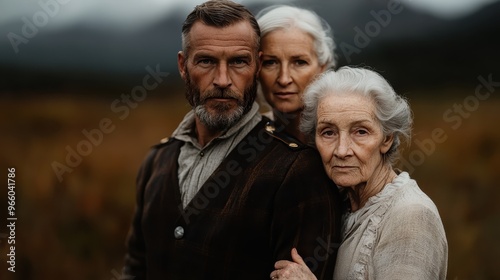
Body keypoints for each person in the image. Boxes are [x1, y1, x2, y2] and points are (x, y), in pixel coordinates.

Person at [122, 1, 342, 279]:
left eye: (238, 61)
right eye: (206, 61)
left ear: (256, 66)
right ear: (182, 65)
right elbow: (135, 267)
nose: (223, 80)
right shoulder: (157, 160)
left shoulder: (299, 169)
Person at [270, 67, 448, 280]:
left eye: (361, 132)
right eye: (328, 132)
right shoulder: (338, 202)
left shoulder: (411, 215)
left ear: (387, 139)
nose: (342, 150)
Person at [256, 5, 336, 143]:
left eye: (299, 62)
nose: (284, 79)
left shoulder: (346, 141)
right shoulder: (250, 141)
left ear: (322, 68)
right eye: (270, 62)